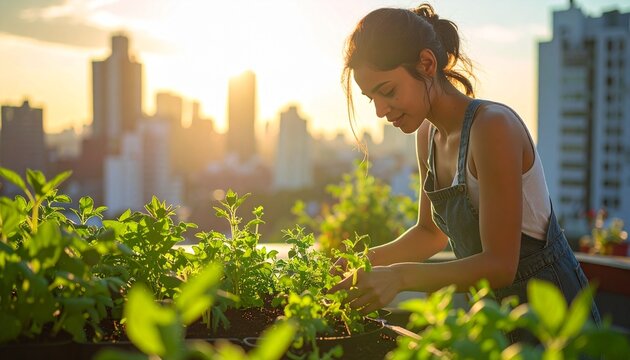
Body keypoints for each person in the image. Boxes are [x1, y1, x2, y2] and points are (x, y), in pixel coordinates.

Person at [329, 3, 600, 341]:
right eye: (372, 99)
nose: (382, 111)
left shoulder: (492, 127)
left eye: (388, 91)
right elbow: (429, 234)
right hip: (495, 317)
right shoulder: (428, 135)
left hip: (554, 318)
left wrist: (398, 277)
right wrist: (361, 263)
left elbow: (500, 265)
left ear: (427, 64)